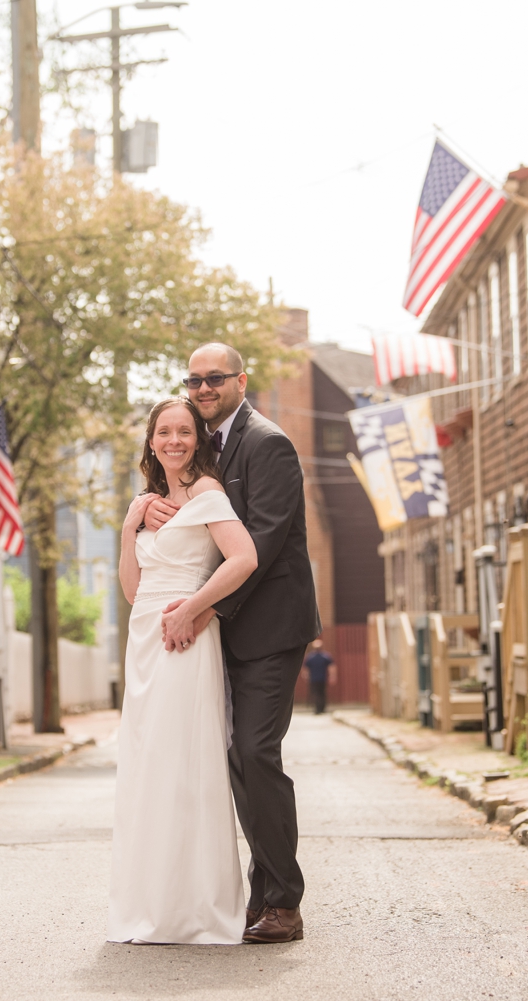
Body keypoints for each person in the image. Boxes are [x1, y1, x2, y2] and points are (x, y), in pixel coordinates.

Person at [145, 342, 320, 945]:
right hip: (221, 632)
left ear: (242, 379)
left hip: (269, 628)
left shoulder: (267, 442)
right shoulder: (203, 451)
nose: (202, 389)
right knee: (234, 761)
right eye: (192, 380)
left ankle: (286, 904)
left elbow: (263, 542)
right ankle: (261, 896)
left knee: (254, 754)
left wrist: (202, 608)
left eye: (213, 378)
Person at [108, 396, 258, 945]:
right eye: (164, 432)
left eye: (185, 431)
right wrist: (129, 526)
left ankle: (197, 908)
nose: (174, 440)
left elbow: (244, 559)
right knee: (149, 767)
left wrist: (193, 610)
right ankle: (152, 905)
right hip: (145, 639)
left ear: (198, 439)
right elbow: (132, 590)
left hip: (184, 637)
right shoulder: (149, 504)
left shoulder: (207, 493)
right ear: (150, 441)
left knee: (183, 764)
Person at [303, 640, 335, 715]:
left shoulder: (311, 657)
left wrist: (306, 675)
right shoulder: (325, 656)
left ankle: (319, 709)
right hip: (319, 678)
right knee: (321, 693)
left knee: (317, 693)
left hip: (316, 679)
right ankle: (320, 708)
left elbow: (305, 669)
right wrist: (332, 676)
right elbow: (331, 667)